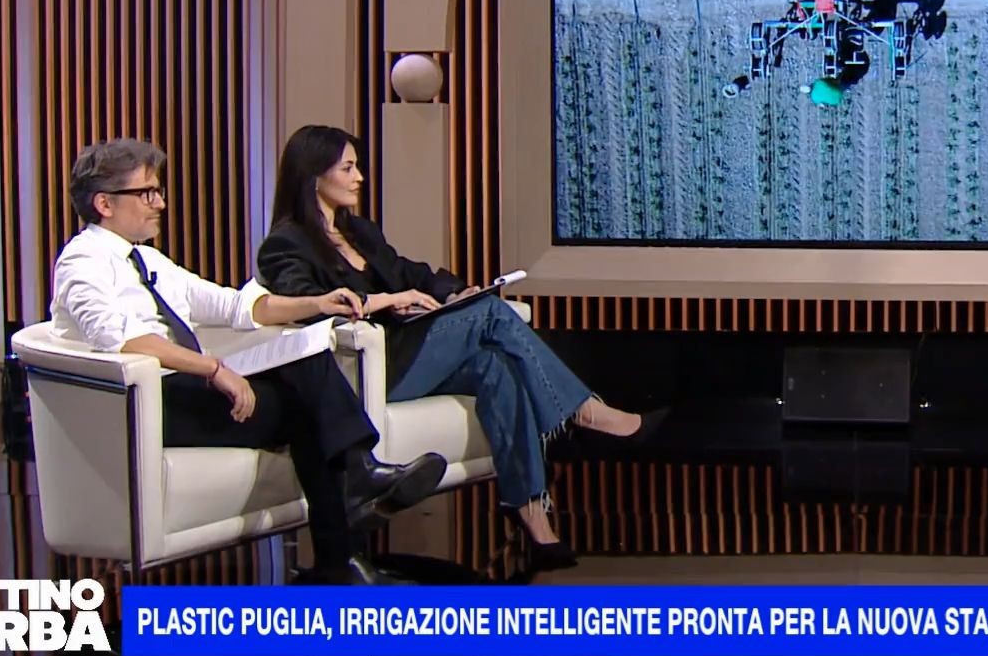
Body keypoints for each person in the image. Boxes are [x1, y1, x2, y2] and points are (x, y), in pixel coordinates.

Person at [255, 125, 662, 572]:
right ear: (314, 175)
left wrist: (453, 293)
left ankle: (531, 513)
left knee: (496, 366)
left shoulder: (359, 232)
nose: (359, 178)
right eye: (348, 168)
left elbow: (411, 271)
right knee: (491, 315)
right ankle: (584, 412)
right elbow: (308, 304)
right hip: (364, 370)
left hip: (405, 351)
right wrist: (385, 300)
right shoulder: (286, 243)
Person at [49, 138, 448, 585]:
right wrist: (215, 369)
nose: (160, 203)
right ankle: (351, 517)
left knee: (307, 361)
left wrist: (317, 304)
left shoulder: (145, 258)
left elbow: (235, 306)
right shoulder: (82, 262)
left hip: (181, 389)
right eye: (147, 193)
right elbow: (124, 341)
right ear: (104, 203)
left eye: (158, 191)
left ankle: (350, 522)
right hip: (145, 405)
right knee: (310, 411)